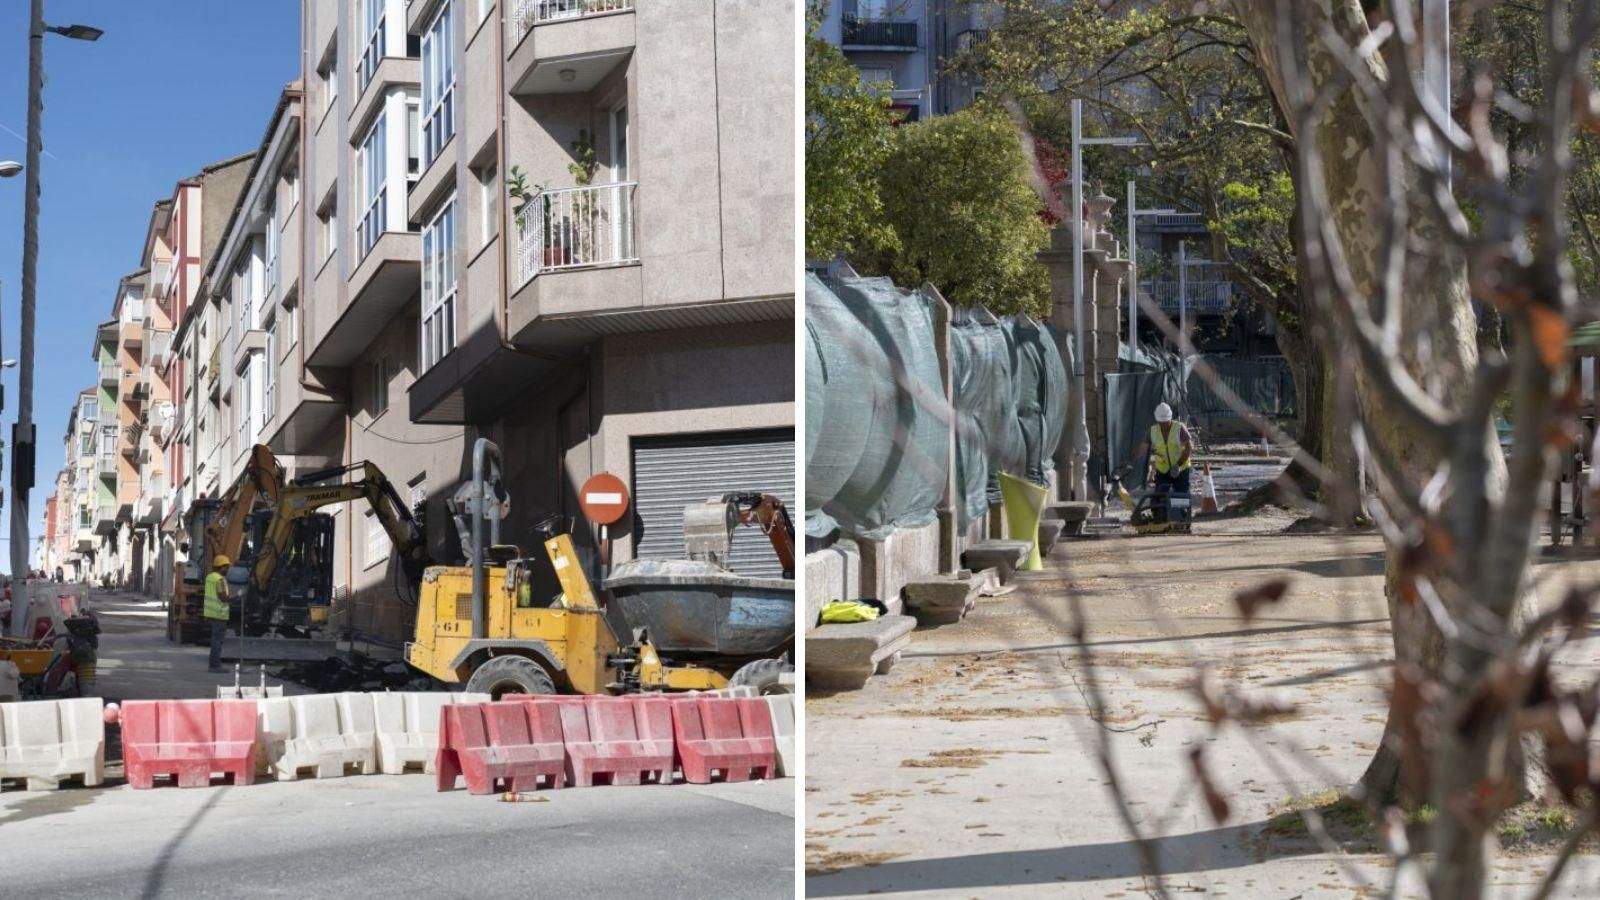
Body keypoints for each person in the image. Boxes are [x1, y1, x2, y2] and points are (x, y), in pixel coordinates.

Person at [1131, 402, 1194, 494]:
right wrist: (1131, 459)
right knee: (1160, 499)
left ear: (1170, 418)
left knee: (1181, 498)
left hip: (1181, 469)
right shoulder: (1152, 431)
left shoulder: (1179, 428)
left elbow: (1189, 448)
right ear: (1158, 420)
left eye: (1166, 422)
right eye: (1162, 422)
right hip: (1162, 470)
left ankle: (1181, 508)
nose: (1164, 424)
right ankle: (1161, 508)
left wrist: (1178, 465)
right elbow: (1142, 448)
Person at [204, 554, 233, 673]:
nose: (227, 569)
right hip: (219, 614)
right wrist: (236, 597)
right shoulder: (219, 580)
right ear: (221, 567)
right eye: (226, 567)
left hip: (211, 613)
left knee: (215, 640)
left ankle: (213, 664)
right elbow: (223, 597)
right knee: (217, 641)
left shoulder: (210, 577)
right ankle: (215, 666)